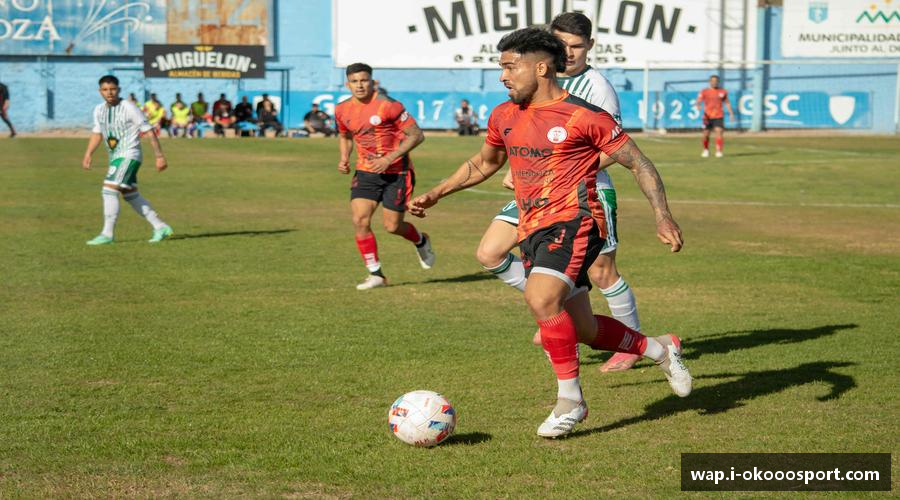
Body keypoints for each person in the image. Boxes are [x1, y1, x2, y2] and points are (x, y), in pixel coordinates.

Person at [408, 27, 691, 438]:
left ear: (540, 68)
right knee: (585, 330)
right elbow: (485, 163)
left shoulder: (583, 115)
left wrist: (663, 216)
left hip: (576, 221)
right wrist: (437, 193)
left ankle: (571, 402)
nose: (503, 76)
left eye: (510, 67)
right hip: (532, 224)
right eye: (501, 67)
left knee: (541, 298)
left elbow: (639, 162)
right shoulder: (504, 115)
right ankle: (660, 349)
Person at [472, 12, 649, 372]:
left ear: (590, 46)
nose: (568, 52)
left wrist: (555, 171)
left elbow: (613, 149)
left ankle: (631, 345)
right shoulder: (531, 85)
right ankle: (553, 309)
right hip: (535, 194)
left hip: (585, 194)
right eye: (561, 44)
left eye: (576, 46)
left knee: (602, 272)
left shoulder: (596, 87)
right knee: (490, 252)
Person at [335, 62, 434, 290]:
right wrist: (344, 158)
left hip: (397, 173)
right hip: (365, 172)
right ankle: (376, 274)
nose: (360, 85)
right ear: (347, 85)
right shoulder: (341, 109)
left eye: (364, 80)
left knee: (392, 226)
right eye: (354, 81)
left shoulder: (389, 105)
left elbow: (416, 135)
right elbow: (345, 136)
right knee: (360, 220)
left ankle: (421, 240)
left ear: (373, 82)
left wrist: (389, 158)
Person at [82, 75, 173, 245]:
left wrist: (159, 156)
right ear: (100, 91)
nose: (109, 93)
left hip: (129, 155)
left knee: (108, 190)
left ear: (119, 90)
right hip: (115, 157)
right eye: (105, 90)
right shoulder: (98, 110)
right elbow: (97, 132)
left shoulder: (129, 107)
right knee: (131, 195)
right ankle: (160, 227)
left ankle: (107, 234)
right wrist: (88, 153)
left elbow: (149, 131)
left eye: (113, 89)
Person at [696, 75, 735, 158]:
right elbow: (698, 100)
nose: (714, 82)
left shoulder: (722, 91)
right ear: (709, 82)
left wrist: (731, 113)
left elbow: (727, 103)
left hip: (718, 115)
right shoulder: (704, 91)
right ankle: (706, 150)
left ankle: (719, 151)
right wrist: (698, 105)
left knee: (719, 132)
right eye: (712, 81)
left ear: (718, 82)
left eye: (716, 81)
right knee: (706, 134)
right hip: (707, 116)